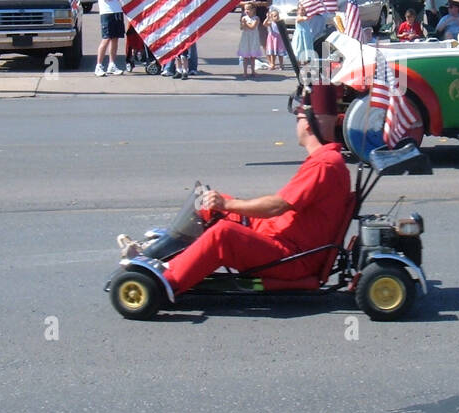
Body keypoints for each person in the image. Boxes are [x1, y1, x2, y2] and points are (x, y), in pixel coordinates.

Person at [118, 106, 352, 301]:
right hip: (278, 235)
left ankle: (165, 280)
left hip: (292, 257)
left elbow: (277, 206)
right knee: (208, 202)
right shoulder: (326, 160)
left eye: (298, 118)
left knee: (224, 233)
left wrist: (229, 206)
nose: (296, 124)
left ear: (308, 125)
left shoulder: (325, 165)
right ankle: (154, 252)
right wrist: (225, 204)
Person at [94, 0, 124, 76]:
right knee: (106, 39)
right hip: (107, 13)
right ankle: (99, 66)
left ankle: (112, 64)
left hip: (118, 12)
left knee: (115, 39)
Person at [238, 2, 264, 77]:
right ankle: (245, 72)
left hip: (253, 38)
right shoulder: (244, 18)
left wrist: (245, 24)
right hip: (246, 38)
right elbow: (241, 28)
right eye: (245, 9)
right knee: (245, 56)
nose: (246, 11)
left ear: (253, 10)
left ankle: (253, 71)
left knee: (253, 56)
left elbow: (252, 27)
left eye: (248, 9)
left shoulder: (256, 18)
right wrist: (243, 24)